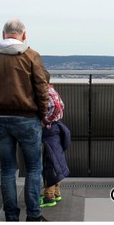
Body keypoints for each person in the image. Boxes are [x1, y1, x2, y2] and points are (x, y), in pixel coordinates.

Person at [0, 19, 49, 222]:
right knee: (34, 168)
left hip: (0, 119)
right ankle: (34, 215)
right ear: (24, 35)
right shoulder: (31, 56)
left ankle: (11, 216)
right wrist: (41, 115)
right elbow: (42, 89)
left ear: (3, 34)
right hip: (28, 118)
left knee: (8, 169)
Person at [40, 74, 70, 208]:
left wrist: (45, 120)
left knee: (49, 163)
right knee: (56, 161)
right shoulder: (53, 90)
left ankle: (49, 197)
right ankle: (56, 192)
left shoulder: (46, 92)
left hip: (49, 130)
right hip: (55, 129)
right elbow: (61, 106)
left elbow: (56, 107)